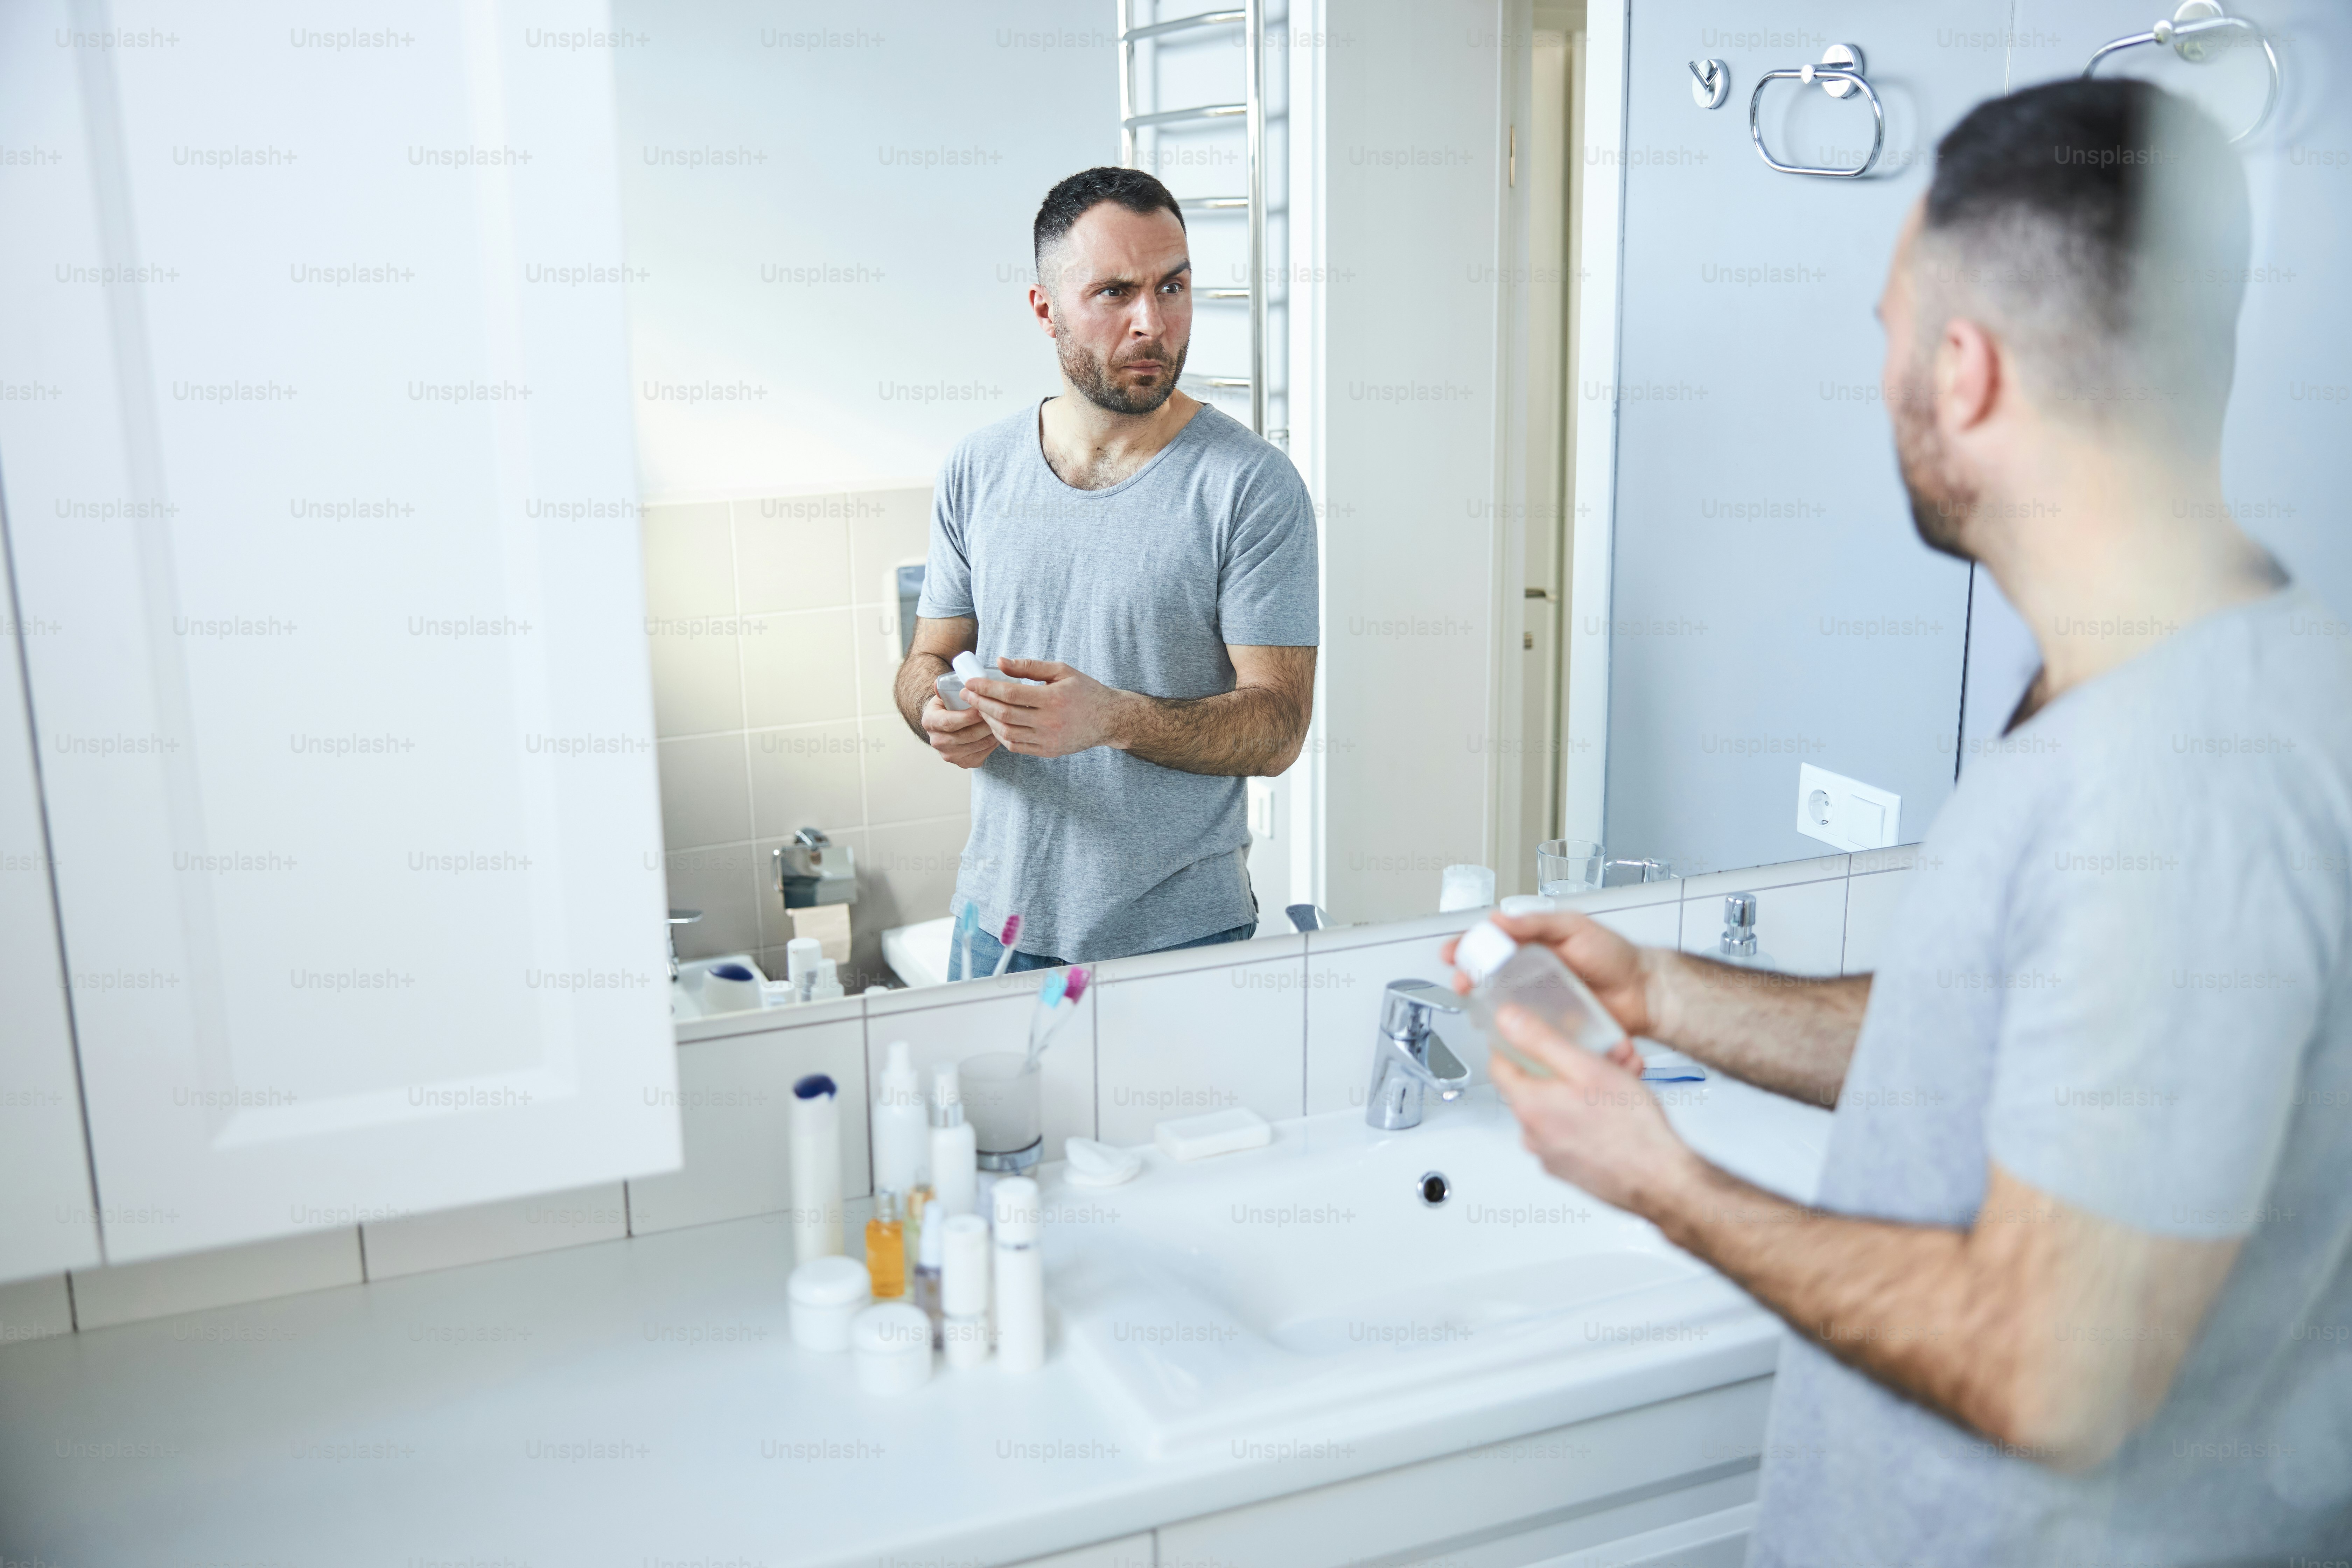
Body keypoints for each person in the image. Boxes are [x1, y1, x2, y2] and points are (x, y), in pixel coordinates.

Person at [1465, 79, 2352, 1565]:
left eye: (1887, 325)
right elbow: (2005, 1043)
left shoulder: (2174, 782)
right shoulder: (2188, 683)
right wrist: (1668, 991)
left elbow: (2048, 1369)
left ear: (1966, 370)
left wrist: (1661, 1179)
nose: (1875, 362)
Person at [896, 167, 1318, 973]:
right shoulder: (978, 468)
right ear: (1045, 308)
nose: (1151, 323)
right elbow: (925, 663)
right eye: (1115, 292)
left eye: (1173, 286)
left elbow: (1278, 730)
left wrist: (1115, 719)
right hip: (996, 928)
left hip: (1181, 941)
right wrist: (935, 713)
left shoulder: (1252, 487)